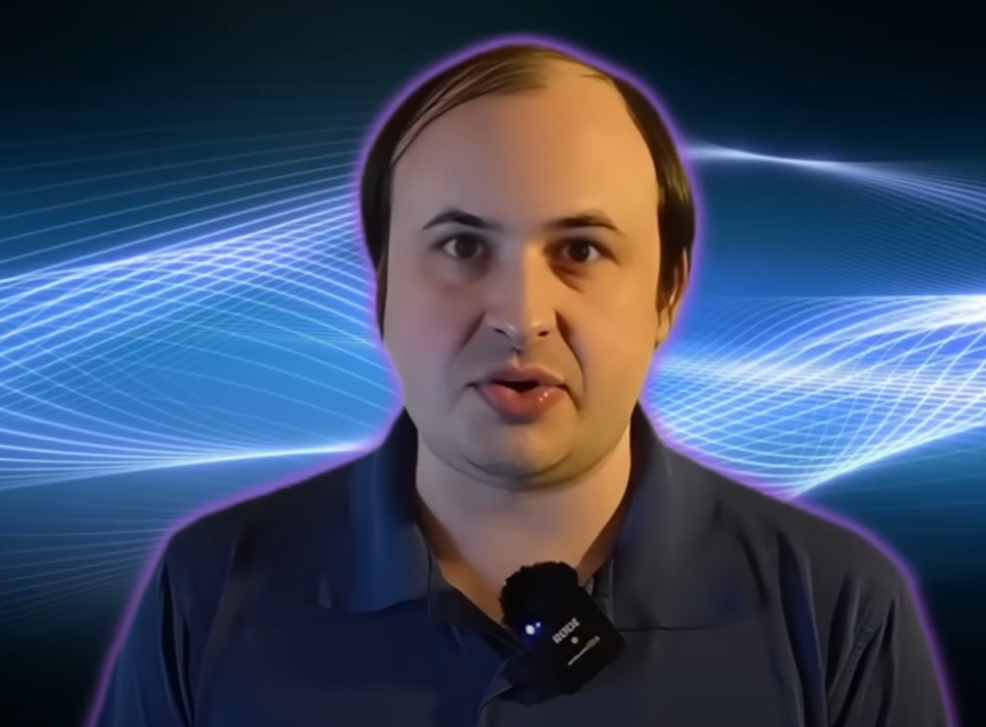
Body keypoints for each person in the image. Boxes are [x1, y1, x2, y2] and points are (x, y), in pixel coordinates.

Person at [88, 38, 955, 727]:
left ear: (668, 292)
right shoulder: (208, 588)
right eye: (462, 245)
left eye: (580, 249)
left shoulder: (839, 609)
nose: (521, 314)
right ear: (382, 285)